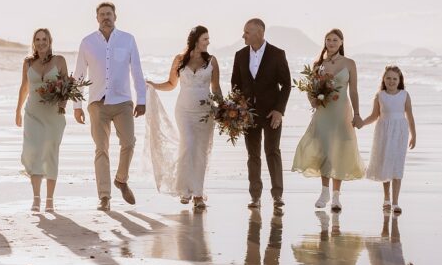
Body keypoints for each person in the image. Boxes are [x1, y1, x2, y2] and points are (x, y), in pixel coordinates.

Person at [73, 2, 147, 210]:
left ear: (116, 16)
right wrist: (77, 105)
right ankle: (104, 196)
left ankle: (121, 180)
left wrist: (142, 100)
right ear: (96, 18)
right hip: (97, 103)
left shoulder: (127, 39)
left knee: (129, 143)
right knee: (101, 149)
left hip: (123, 101)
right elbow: (79, 75)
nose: (106, 17)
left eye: (109, 14)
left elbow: (137, 71)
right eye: (102, 14)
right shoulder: (87, 42)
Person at [146, 26, 222, 209]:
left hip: (205, 113)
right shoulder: (179, 59)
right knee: (187, 145)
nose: (208, 42)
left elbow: (216, 88)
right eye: (205, 39)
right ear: (196, 40)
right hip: (184, 111)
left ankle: (197, 194)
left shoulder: (212, 61)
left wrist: (224, 108)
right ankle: (184, 190)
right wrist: (153, 85)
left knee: (200, 151)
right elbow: (171, 84)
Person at [291, 29, 365, 211]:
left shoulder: (349, 63)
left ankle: (336, 197)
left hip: (342, 112)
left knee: (339, 150)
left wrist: (356, 114)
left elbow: (353, 91)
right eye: (328, 40)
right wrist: (313, 99)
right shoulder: (318, 64)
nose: (331, 43)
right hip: (324, 112)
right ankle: (324, 193)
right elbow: (311, 89)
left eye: (335, 40)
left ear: (341, 42)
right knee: (324, 150)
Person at [231, 18, 291, 209]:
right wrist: (238, 110)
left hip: (272, 113)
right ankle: (255, 196)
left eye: (247, 32)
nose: (243, 35)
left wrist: (279, 111)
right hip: (248, 114)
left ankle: (277, 195)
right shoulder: (240, 55)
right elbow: (236, 86)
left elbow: (287, 85)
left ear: (259, 33)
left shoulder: (277, 54)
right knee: (253, 155)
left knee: (272, 152)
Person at [15, 28, 68, 212]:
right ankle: (36, 199)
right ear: (34, 42)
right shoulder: (28, 62)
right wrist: (18, 111)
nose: (41, 42)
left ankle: (50, 200)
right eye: (37, 39)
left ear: (50, 41)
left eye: (44, 39)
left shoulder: (59, 60)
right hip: (32, 114)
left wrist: (63, 105)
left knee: (50, 154)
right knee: (33, 151)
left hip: (54, 115)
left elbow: (66, 87)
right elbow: (24, 88)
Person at [361, 65, 417, 215]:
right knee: (385, 163)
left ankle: (396, 202)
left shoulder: (404, 95)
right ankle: (386, 198)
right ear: (383, 80)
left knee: (397, 165)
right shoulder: (380, 95)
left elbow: (410, 116)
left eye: (394, 79)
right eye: (388, 78)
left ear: (399, 80)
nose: (391, 81)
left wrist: (414, 135)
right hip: (383, 132)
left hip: (400, 133)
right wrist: (361, 123)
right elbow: (374, 116)